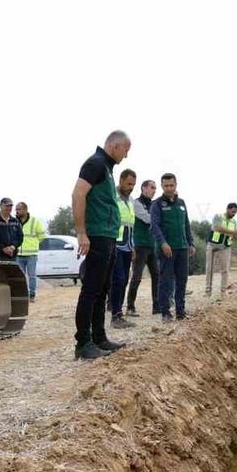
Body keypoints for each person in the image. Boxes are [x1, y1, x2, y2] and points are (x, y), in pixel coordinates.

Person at [71, 131, 131, 360]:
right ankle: (83, 343)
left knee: (102, 289)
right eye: (125, 150)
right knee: (91, 290)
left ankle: (99, 337)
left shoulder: (106, 168)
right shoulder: (95, 164)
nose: (126, 155)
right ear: (114, 146)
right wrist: (81, 233)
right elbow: (78, 195)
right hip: (97, 235)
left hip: (108, 236)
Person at [149, 173, 196, 322]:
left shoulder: (181, 203)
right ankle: (165, 313)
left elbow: (186, 224)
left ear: (176, 185)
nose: (169, 188)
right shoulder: (157, 204)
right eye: (166, 186)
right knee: (166, 282)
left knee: (182, 280)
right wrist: (163, 243)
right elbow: (154, 226)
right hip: (167, 250)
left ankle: (180, 311)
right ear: (162, 186)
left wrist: (191, 243)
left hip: (182, 248)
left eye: (171, 185)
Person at [127, 179, 161, 317]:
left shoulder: (153, 204)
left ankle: (156, 306)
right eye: (152, 187)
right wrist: (159, 218)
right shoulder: (136, 203)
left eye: (155, 188)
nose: (154, 190)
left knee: (156, 275)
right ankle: (130, 307)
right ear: (143, 188)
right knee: (137, 276)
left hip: (152, 245)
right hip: (140, 245)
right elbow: (148, 219)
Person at [109, 169, 137, 328]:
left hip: (127, 245)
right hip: (115, 245)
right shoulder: (112, 196)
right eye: (129, 184)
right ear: (120, 180)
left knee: (124, 279)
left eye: (133, 184)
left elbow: (131, 224)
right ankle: (115, 315)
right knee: (118, 279)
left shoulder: (130, 200)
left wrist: (133, 246)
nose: (131, 187)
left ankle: (118, 313)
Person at [205, 202, 237, 299]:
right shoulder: (218, 217)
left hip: (226, 246)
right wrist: (234, 232)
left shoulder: (234, 222)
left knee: (225, 270)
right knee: (209, 268)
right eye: (233, 211)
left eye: (235, 212)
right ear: (227, 209)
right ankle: (208, 291)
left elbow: (234, 237)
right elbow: (218, 228)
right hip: (212, 244)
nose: (234, 214)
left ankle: (223, 292)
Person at [15, 202, 46, 302]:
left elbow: (42, 236)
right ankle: (22, 295)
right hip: (18, 254)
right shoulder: (14, 221)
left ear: (25, 210)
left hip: (31, 254)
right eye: (16, 209)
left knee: (32, 276)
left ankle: (32, 295)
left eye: (19, 209)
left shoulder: (35, 221)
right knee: (20, 277)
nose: (17, 211)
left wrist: (34, 244)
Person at [0, 197, 22, 262]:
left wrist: (12, 247)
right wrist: (3, 248)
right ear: (0, 206)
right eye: (6, 206)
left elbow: (20, 237)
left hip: (12, 256)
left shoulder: (15, 221)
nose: (9, 208)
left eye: (10, 206)